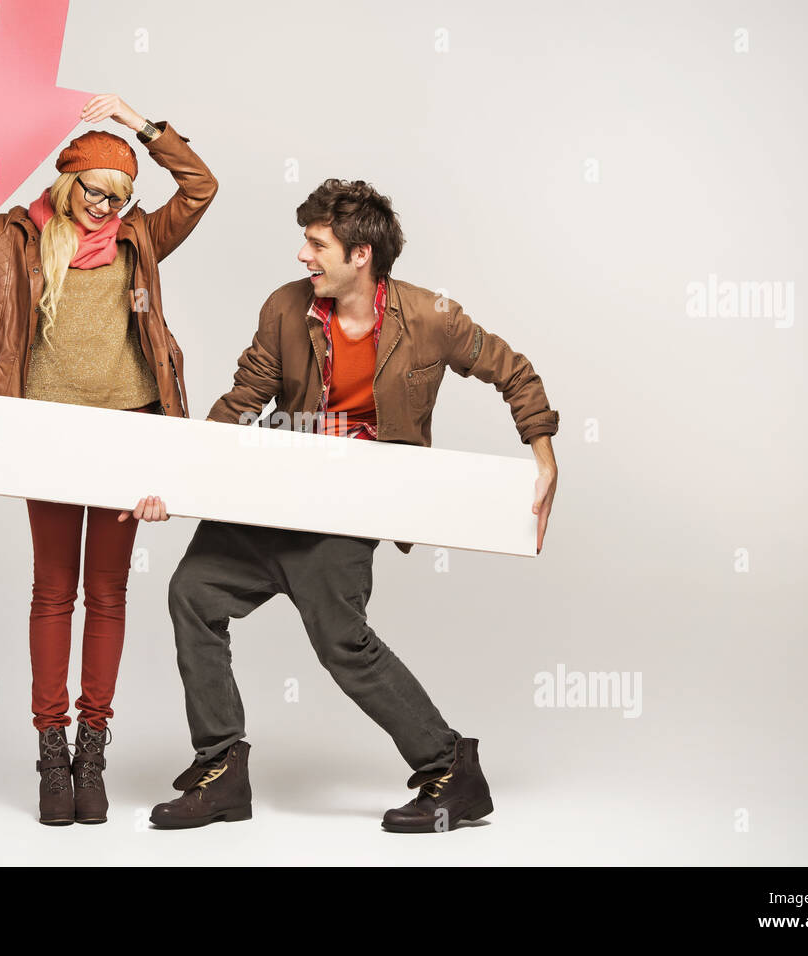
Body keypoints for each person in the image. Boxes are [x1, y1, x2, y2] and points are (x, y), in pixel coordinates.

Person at [144, 178, 559, 832]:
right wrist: (180, 478)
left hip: (350, 506)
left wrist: (543, 455)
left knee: (343, 643)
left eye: (317, 244)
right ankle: (222, 769)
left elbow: (514, 372)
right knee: (192, 591)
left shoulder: (431, 317)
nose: (303, 256)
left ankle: (452, 769)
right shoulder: (287, 308)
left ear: (361, 253)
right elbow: (245, 397)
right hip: (271, 491)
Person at [0, 72, 217, 826]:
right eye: (96, 192)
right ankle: (50, 752)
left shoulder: (142, 237)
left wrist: (141, 123)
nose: (109, 208)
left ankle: (92, 749)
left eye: (120, 196)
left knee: (108, 594)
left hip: (128, 428)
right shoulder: (15, 235)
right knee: (54, 590)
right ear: (68, 180)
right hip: (45, 433)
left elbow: (201, 186)